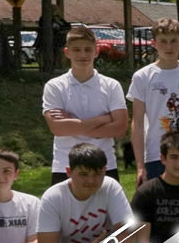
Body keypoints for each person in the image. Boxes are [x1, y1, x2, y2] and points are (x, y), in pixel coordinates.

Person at [128, 18, 179, 186]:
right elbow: (137, 122)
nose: (169, 47)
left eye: (173, 41)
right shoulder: (142, 76)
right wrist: (140, 165)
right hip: (157, 155)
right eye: (163, 41)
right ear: (154, 43)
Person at [42, 25, 127, 183]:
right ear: (67, 52)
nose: (83, 55)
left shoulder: (112, 86)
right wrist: (103, 120)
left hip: (104, 164)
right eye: (77, 50)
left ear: (96, 51)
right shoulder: (54, 86)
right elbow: (57, 128)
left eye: (88, 49)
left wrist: (74, 126)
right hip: (65, 165)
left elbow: (120, 128)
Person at [37, 143, 132, 243]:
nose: (91, 181)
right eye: (83, 174)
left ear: (105, 171)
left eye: (97, 173)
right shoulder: (53, 197)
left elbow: (128, 234)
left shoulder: (110, 187)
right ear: (69, 172)